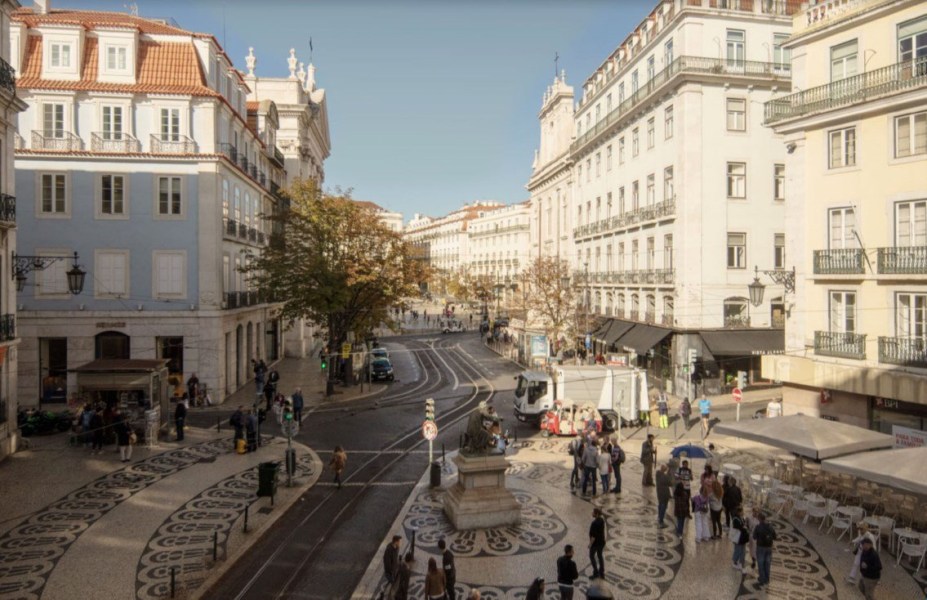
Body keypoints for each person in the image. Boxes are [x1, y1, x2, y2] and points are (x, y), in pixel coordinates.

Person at [752, 512, 777, 587]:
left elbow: (754, 537)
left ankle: (762, 579)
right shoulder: (770, 526)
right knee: (767, 563)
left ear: (759, 519)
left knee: (761, 563)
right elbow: (775, 537)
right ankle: (767, 579)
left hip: (761, 547)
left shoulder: (758, 527)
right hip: (769, 548)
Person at [588, 507, 606, 579]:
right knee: (600, 556)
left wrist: (590, 544)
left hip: (595, 543)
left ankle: (595, 572)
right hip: (602, 542)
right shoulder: (602, 520)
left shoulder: (594, 523)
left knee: (591, 556)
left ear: (597, 514)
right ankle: (601, 572)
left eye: (593, 512)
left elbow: (593, 536)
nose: (592, 513)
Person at [730, 506, 749, 572]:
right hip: (738, 538)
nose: (743, 512)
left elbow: (744, 525)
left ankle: (741, 562)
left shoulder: (741, 518)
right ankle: (734, 562)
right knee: (738, 550)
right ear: (739, 512)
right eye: (742, 511)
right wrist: (744, 528)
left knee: (743, 551)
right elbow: (739, 527)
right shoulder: (735, 519)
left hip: (742, 538)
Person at [382, 535, 401, 599]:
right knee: (392, 584)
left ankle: (389, 595)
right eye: (399, 541)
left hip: (394, 570)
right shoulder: (389, 550)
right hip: (390, 572)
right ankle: (387, 596)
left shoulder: (396, 548)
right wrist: (391, 571)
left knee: (393, 584)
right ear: (396, 542)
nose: (400, 543)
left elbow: (395, 559)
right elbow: (387, 562)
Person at [656, 464, 673, 528]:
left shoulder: (658, 474)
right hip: (665, 493)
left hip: (659, 492)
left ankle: (659, 517)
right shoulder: (665, 476)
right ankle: (661, 520)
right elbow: (670, 483)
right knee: (663, 507)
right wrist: (669, 475)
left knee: (660, 505)